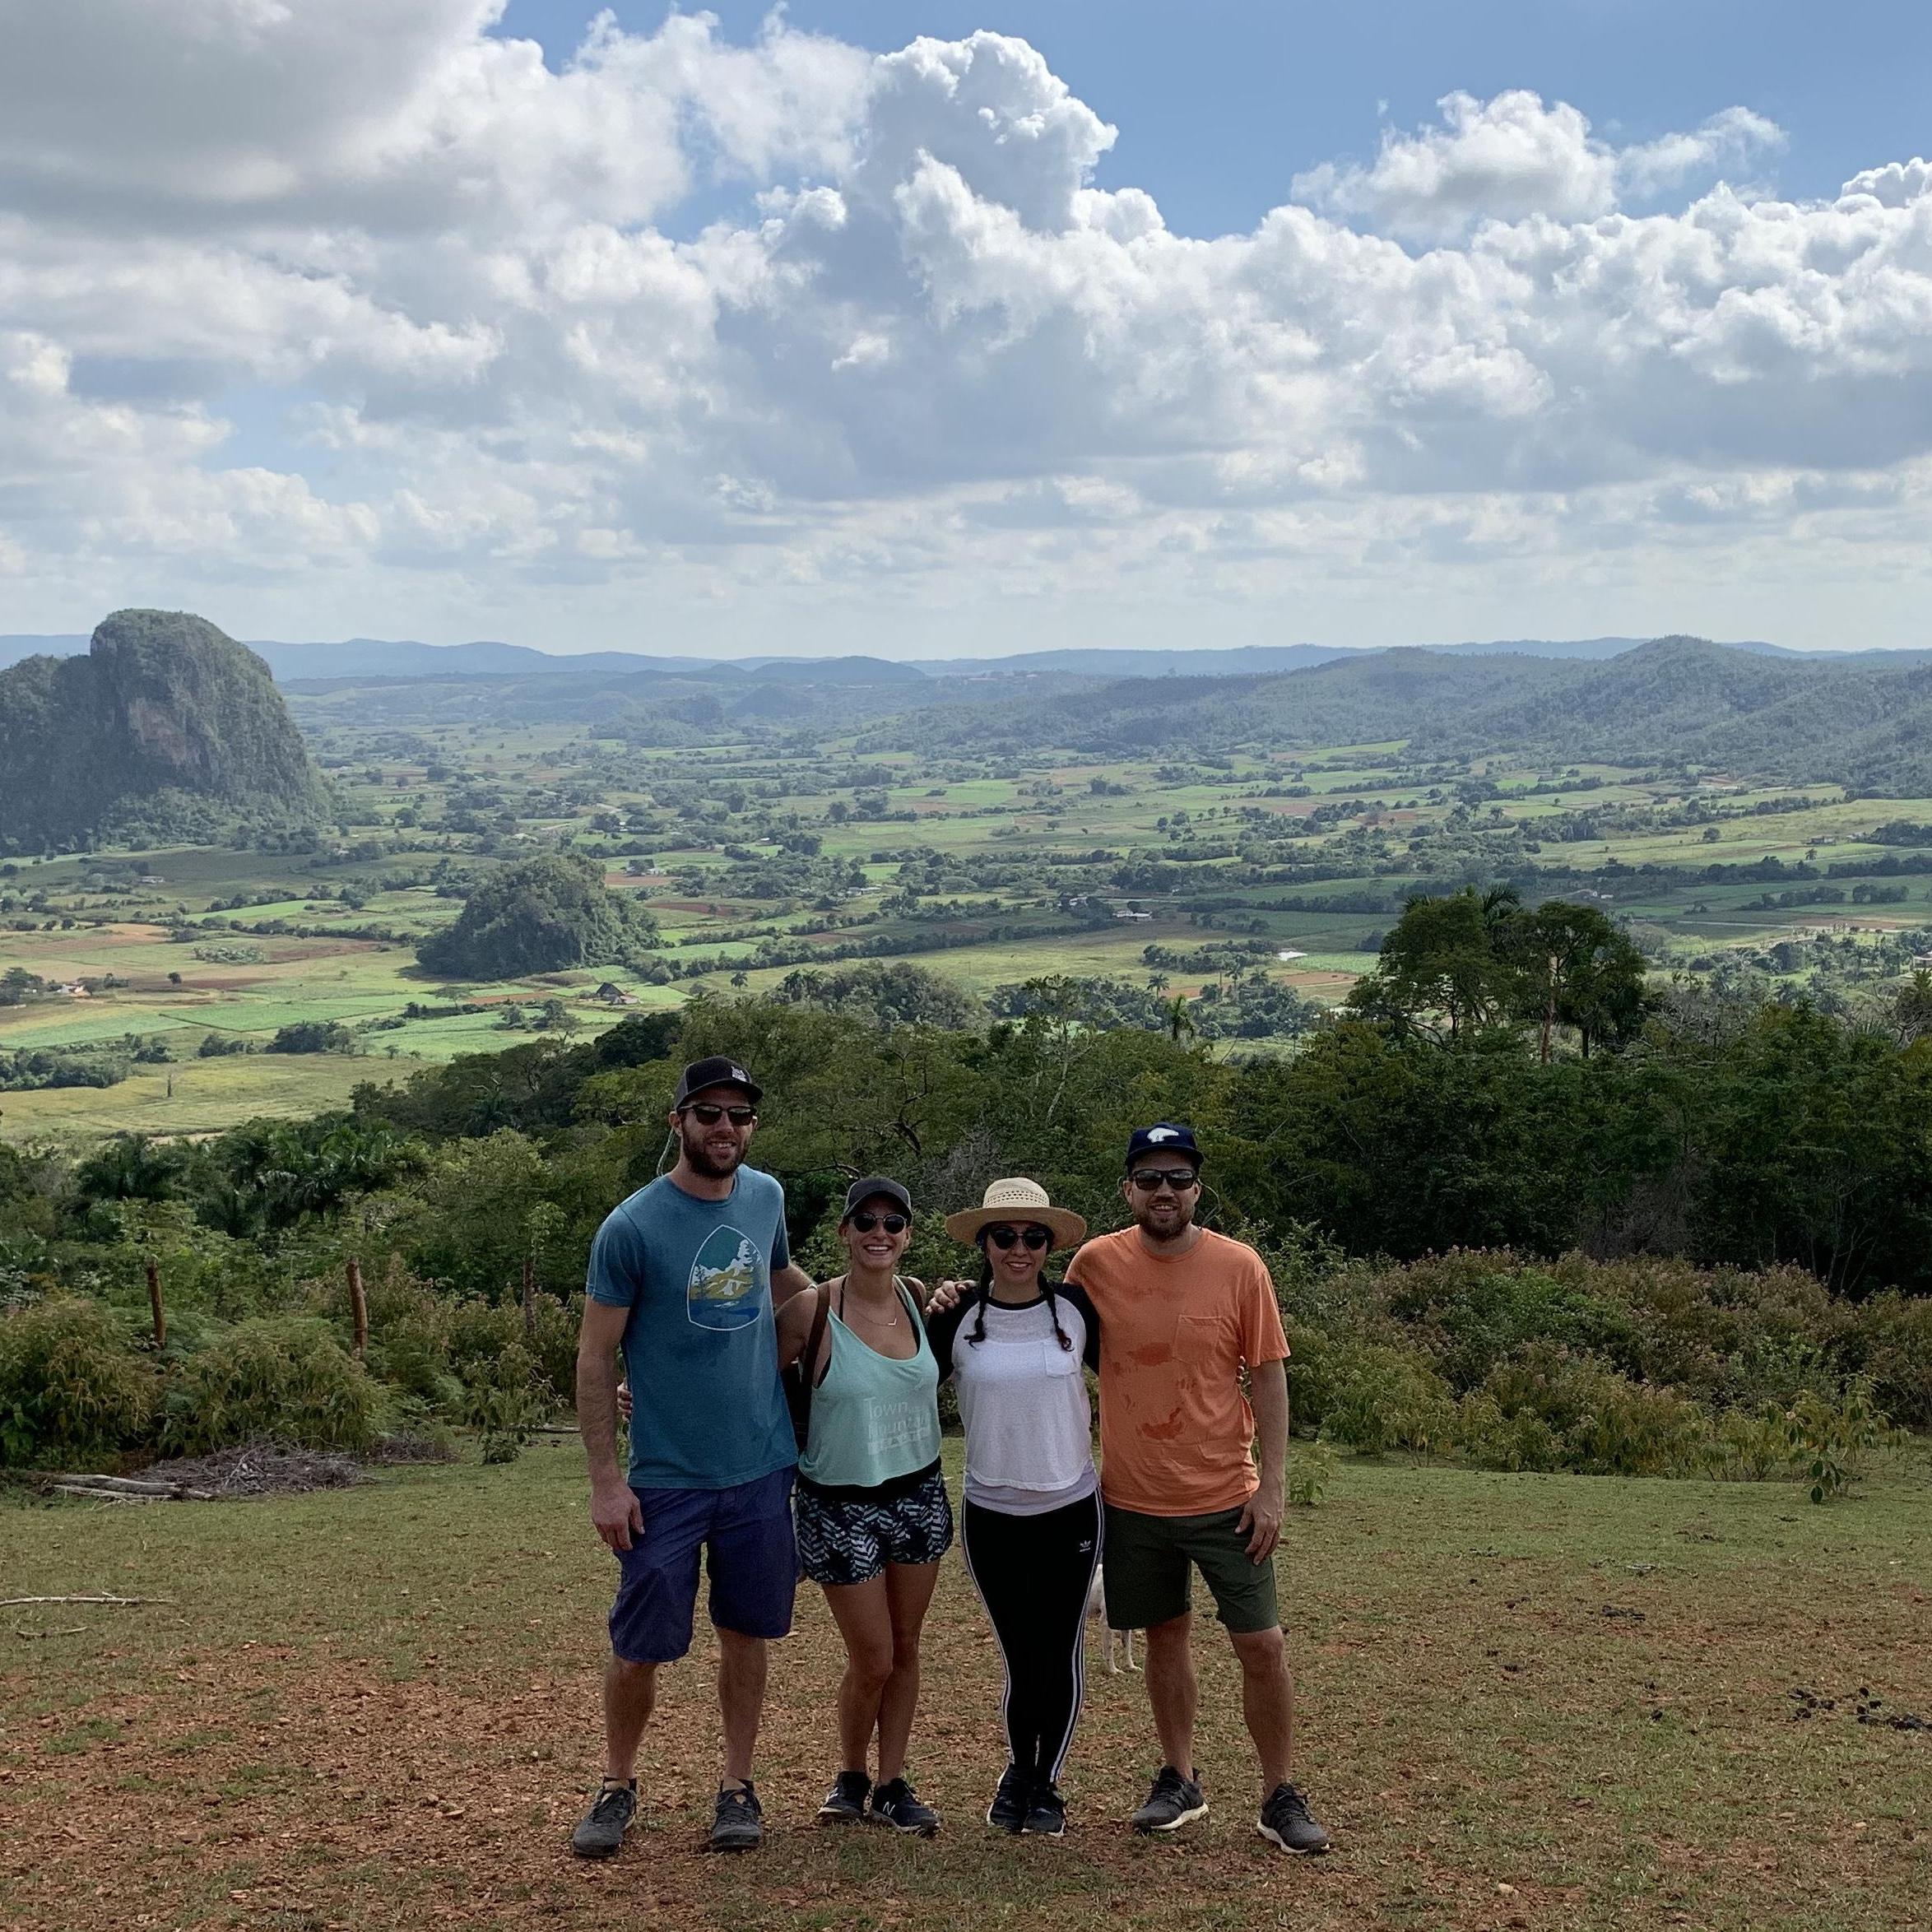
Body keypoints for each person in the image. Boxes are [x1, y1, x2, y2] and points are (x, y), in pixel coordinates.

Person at [569, 1056, 816, 1859]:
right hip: (666, 1477)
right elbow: (595, 1356)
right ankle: (616, 1782)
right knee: (639, 1642)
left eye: (740, 1116)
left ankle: (735, 1785)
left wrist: (877, 1295)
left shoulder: (766, 1196)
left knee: (746, 1632)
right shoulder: (631, 1226)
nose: (725, 1128)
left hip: (758, 1466)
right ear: (676, 1120)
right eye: (709, 1113)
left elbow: (786, 1284)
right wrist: (607, 1479)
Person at [1066, 1122, 1330, 1855]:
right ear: (1128, 1188)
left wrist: (1272, 1489)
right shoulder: (1094, 1264)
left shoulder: (1240, 1267)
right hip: (1131, 1496)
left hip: (1226, 1497)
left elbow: (1270, 1374)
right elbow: (1046, 1338)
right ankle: (1179, 1777)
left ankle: (1279, 1792)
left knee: (1263, 1645)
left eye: (1178, 1179)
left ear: (1197, 1189)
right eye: (1149, 1178)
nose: (1164, 1192)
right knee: (1164, 1636)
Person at [927, 1177, 1101, 1840]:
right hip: (991, 1514)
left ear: (1050, 1245)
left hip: (1070, 1509)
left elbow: (1142, 1369)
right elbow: (895, 1374)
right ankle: (1018, 1770)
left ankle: (1043, 1781)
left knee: (1057, 1652)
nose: (1019, 1248)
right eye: (1005, 1236)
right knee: (1019, 1653)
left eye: (1033, 1237)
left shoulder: (1081, 1310)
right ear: (985, 1243)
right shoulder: (956, 1317)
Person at [787, 1177, 951, 1835]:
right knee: (873, 1657)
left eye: (893, 1223)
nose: (879, 1234)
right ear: (844, 1232)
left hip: (918, 1495)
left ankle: (891, 1782)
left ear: (908, 1235)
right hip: (839, 1507)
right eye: (866, 1222)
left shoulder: (919, 1301)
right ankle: (850, 1775)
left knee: (907, 1649)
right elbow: (743, 1381)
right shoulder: (813, 1309)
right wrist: (642, 1390)